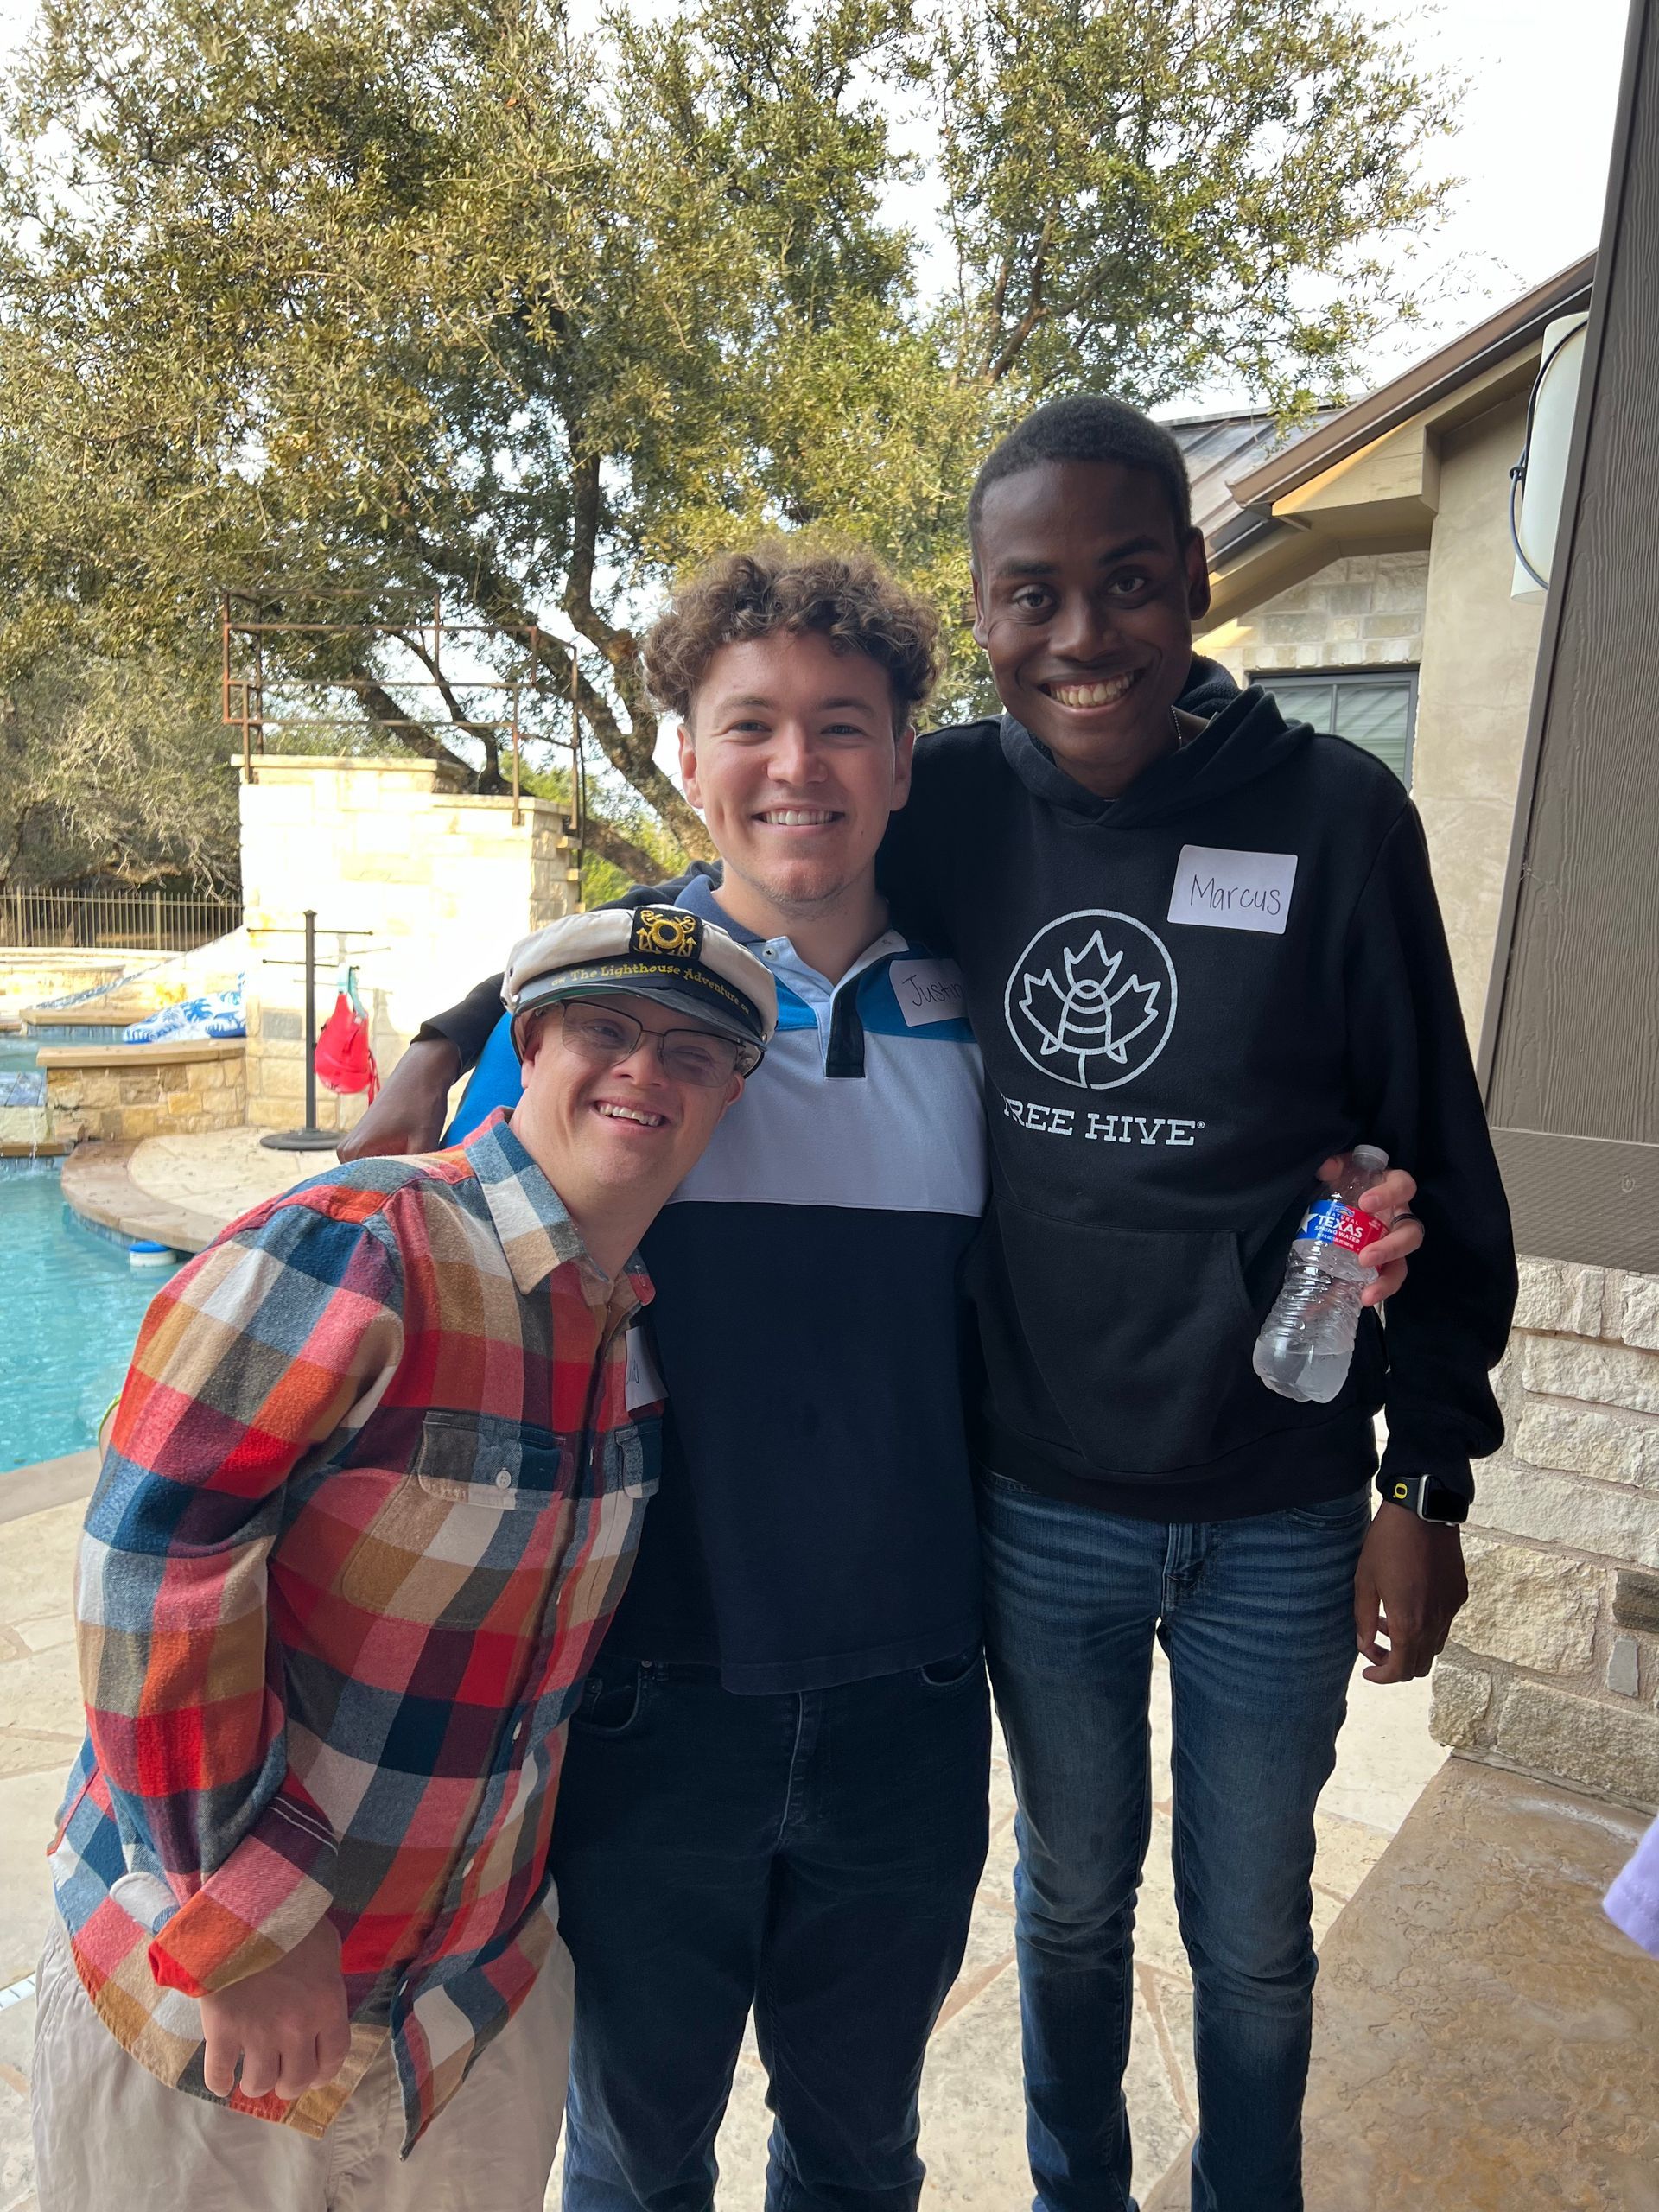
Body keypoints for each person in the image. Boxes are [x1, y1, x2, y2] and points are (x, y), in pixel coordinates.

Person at [341, 538, 1426, 2212]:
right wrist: (445, 1034)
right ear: (686, 758)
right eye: (751, 724)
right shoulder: (599, 1034)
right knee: (635, 2154)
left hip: (911, 1696)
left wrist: (1332, 1199)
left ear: (909, 761)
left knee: (859, 2151)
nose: (797, 766)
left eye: (844, 725)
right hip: (647, 1692)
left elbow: (1168, 1125)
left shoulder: (986, 1003)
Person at [874, 393, 1518, 2211]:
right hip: (1042, 1503)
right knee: (1070, 1905)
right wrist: (476, 1020)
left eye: (1130, 581)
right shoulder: (939, 808)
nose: (1084, 638)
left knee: (1250, 1932)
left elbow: (1441, 1173)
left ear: (1198, 580)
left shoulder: (1336, 817)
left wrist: (1426, 1485)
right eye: (1032, 594)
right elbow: (743, 900)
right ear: (984, 609)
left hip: (1281, 1512)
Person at [32, 906, 773, 2212]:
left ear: (729, 1094)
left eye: (694, 1052)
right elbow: (152, 1571)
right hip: (217, 2004)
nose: (646, 1070)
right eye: (607, 1029)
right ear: (531, 1043)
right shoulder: (360, 1245)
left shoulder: (635, 1333)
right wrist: (247, 1924)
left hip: (461, 2028)